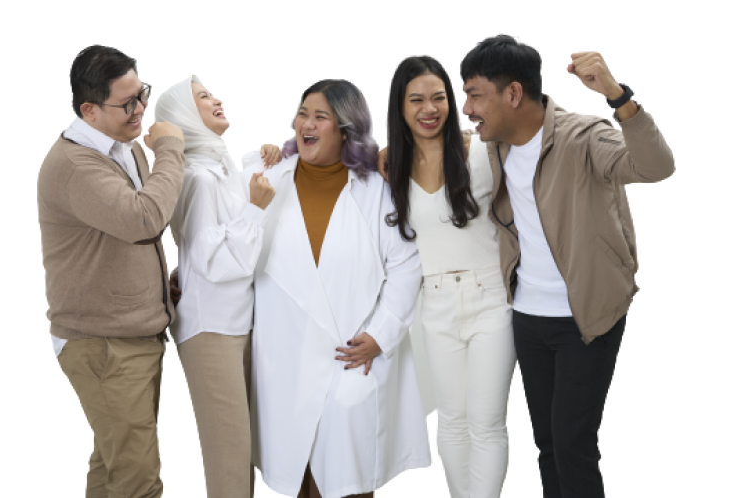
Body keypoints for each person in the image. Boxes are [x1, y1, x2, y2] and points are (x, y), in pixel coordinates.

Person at [459, 35, 675, 498]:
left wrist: (617, 96)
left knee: (573, 446)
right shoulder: (495, 144)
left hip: (586, 316)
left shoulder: (584, 136)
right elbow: (431, 144)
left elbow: (656, 167)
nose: (467, 107)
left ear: (513, 93)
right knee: (548, 444)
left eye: (474, 95)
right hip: (528, 315)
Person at [242, 79, 433, 498]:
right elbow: (234, 243)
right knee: (296, 471)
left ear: (346, 129)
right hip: (285, 358)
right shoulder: (266, 178)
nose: (306, 124)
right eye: (302, 114)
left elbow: (406, 266)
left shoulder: (378, 189)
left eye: (320, 117)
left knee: (349, 476)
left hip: (350, 357)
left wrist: (380, 335)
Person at [39, 45, 186, 498]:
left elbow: (127, 239)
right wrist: (170, 149)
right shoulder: (75, 165)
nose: (141, 108)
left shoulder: (123, 146)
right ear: (89, 110)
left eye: (142, 94)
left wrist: (162, 284)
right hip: (104, 344)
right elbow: (144, 220)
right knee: (139, 482)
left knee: (111, 469)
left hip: (129, 338)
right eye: (127, 103)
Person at [376, 54, 517, 498]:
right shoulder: (390, 169)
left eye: (438, 97)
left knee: (487, 422)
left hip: (491, 298)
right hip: (434, 305)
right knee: (451, 420)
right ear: (400, 107)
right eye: (416, 100)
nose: (429, 108)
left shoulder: (482, 152)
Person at [153, 73, 282, 498]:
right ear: (184, 116)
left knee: (244, 453)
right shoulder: (198, 177)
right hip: (211, 329)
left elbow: (234, 199)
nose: (215, 100)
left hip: (235, 323)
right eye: (202, 97)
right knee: (229, 459)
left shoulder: (218, 166)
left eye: (210, 92)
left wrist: (266, 156)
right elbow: (216, 262)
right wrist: (256, 210)